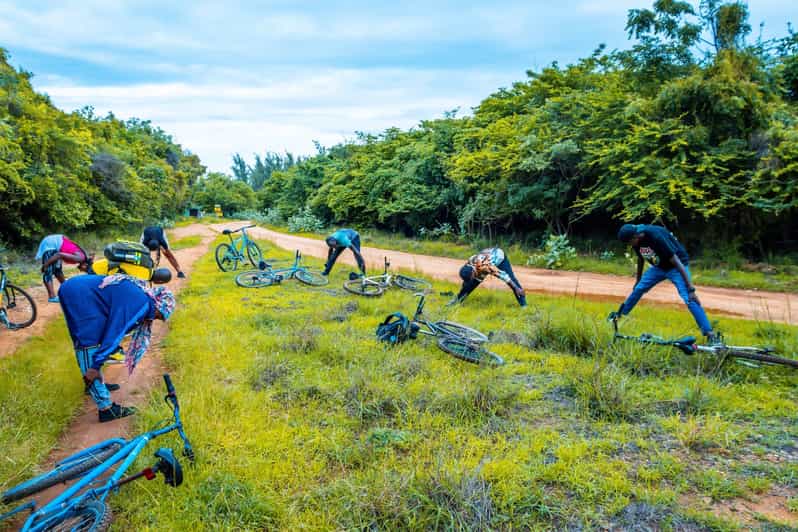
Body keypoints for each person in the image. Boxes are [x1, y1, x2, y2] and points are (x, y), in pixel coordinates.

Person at [59, 274, 175, 422]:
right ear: (159, 306)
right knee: (88, 340)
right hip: (80, 293)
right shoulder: (141, 305)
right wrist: (96, 365)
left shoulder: (141, 297)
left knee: (89, 339)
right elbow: (115, 332)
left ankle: (94, 384)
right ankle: (105, 408)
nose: (155, 319)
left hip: (77, 289)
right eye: (160, 316)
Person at [611, 223, 720, 343]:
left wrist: (691, 289)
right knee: (638, 289)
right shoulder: (636, 240)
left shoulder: (656, 237)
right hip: (659, 267)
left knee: (689, 298)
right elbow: (641, 258)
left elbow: (677, 262)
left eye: (629, 242)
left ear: (635, 237)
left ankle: (710, 334)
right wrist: (638, 280)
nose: (630, 245)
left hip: (677, 266)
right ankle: (619, 315)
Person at [453, 247, 527, 307]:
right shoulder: (469, 262)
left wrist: (516, 288)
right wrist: (464, 288)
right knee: (470, 284)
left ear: (473, 272)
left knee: (512, 281)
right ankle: (456, 301)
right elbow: (467, 281)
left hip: (499, 257)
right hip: (486, 256)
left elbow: (503, 276)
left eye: (472, 276)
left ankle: (524, 305)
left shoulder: (486, 266)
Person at [35, 234, 93, 303]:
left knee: (58, 271)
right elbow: (59, 255)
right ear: (85, 264)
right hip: (51, 244)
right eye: (85, 270)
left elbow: (63, 248)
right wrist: (46, 264)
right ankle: (52, 297)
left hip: (56, 245)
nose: (81, 270)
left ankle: (67, 289)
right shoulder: (80, 258)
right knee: (48, 271)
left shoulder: (81, 256)